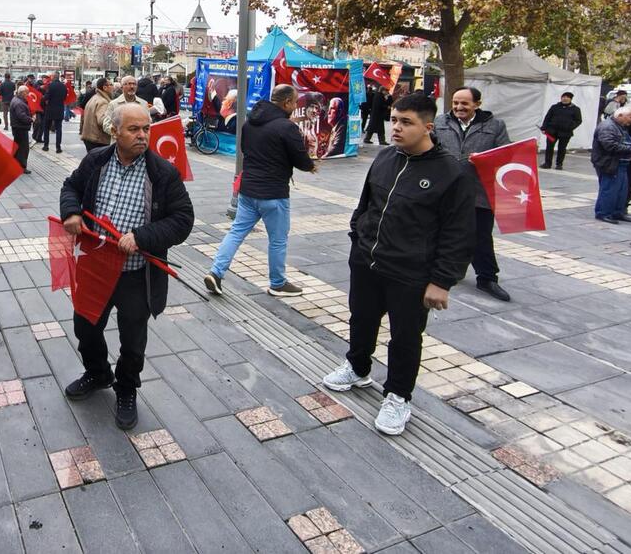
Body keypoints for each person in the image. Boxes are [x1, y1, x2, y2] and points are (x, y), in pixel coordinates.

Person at [322, 93, 474, 436]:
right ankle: (357, 367)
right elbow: (366, 203)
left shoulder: (452, 172)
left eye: (406, 122)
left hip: (411, 272)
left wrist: (442, 281)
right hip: (367, 260)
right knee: (361, 318)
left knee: (405, 337)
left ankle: (398, 395)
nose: (396, 128)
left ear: (428, 127)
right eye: (394, 120)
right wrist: (357, 235)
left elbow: (459, 233)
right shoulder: (386, 157)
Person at [60, 101, 194, 429]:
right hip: (95, 264)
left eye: (146, 128)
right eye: (133, 129)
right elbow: (71, 187)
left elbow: (183, 220)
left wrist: (142, 236)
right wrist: (72, 212)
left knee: (132, 338)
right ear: (114, 131)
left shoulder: (162, 172)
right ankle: (98, 372)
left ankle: (126, 387)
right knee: (85, 326)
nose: (142, 135)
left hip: (135, 272)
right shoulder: (96, 161)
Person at [205, 84, 316, 298]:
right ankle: (278, 283)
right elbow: (300, 159)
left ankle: (216, 272)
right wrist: (310, 166)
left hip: (248, 190)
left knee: (236, 232)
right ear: (286, 103)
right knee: (277, 239)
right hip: (273, 193)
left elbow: (245, 150)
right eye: (294, 102)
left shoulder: (249, 123)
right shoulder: (286, 127)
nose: (295, 106)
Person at [433, 87, 512, 301]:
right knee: (443, 234)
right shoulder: (440, 122)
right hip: (446, 190)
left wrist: (485, 159)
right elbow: (429, 147)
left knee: (481, 236)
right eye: (456, 102)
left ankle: (487, 278)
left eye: (464, 103)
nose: (459, 107)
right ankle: (446, 272)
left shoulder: (495, 125)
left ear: (477, 104)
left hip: (479, 192)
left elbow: (505, 155)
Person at [591, 104, 631, 224]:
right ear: (621, 115)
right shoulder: (608, 126)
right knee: (609, 190)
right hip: (609, 163)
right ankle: (603, 213)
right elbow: (610, 145)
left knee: (621, 190)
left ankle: (617, 212)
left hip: (621, 163)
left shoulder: (620, 126)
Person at [540, 91, 583, 170]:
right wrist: (544, 128)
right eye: (563, 97)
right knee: (549, 147)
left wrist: (570, 126)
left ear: (570, 99)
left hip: (565, 132)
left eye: (567, 97)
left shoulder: (575, 109)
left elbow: (578, 120)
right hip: (552, 131)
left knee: (562, 148)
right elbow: (547, 117)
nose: (565, 98)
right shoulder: (554, 107)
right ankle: (547, 163)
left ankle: (559, 164)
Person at [80, 77, 114, 152]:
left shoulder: (95, 98)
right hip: (98, 140)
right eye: (111, 84)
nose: (113, 87)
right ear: (105, 87)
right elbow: (102, 120)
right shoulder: (103, 102)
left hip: (90, 138)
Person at [9, 86, 33, 174]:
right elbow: (21, 116)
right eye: (27, 93)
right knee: (23, 148)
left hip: (18, 127)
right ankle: (21, 167)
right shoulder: (19, 103)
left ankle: (14, 164)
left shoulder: (16, 100)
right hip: (20, 127)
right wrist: (31, 119)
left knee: (18, 147)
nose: (28, 94)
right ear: (22, 93)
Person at [42, 71, 67, 153]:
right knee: (59, 129)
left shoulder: (51, 86)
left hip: (50, 109)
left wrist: (43, 98)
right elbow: (64, 97)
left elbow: (46, 97)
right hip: (59, 109)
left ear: (53, 77)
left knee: (46, 128)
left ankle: (46, 146)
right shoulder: (63, 86)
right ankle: (58, 148)